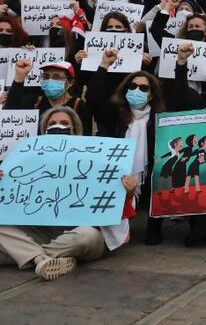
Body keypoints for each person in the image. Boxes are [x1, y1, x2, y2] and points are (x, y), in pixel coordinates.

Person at [0, 106, 137, 281]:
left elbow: (118, 213)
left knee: (86, 236)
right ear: (44, 131)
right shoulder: (25, 161)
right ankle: (43, 260)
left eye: (64, 123)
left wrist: (128, 190)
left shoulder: (97, 161)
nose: (58, 126)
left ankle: (26, 254)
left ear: (75, 130)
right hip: (41, 231)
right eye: (52, 123)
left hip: (80, 234)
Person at [87, 49, 166, 245]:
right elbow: (94, 97)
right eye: (133, 86)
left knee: (163, 176)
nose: (137, 90)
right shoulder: (115, 113)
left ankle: (154, 227)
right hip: (118, 171)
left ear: (151, 95)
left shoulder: (159, 119)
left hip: (150, 170)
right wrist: (104, 64)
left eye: (144, 88)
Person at [6, 60, 93, 135]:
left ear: (70, 83)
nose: (50, 80)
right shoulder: (35, 102)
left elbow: (85, 137)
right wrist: (19, 76)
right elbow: (10, 113)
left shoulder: (79, 106)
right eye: (46, 77)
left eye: (56, 77)